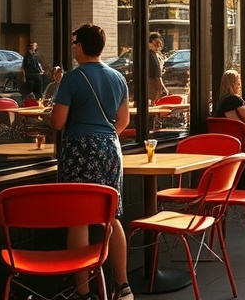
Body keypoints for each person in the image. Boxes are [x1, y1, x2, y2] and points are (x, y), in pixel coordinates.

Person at [49, 24, 133, 300]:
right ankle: (123, 286)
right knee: (112, 216)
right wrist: (102, 135)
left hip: (80, 149)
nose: (73, 48)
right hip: (110, 147)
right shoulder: (118, 78)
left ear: (81, 47)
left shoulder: (72, 79)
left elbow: (58, 122)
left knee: (80, 218)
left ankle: (83, 292)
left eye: (75, 44)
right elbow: (123, 122)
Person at [148, 31, 168, 105]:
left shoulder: (152, 54)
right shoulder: (151, 54)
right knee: (154, 101)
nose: (159, 46)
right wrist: (163, 87)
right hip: (154, 82)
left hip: (153, 81)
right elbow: (157, 73)